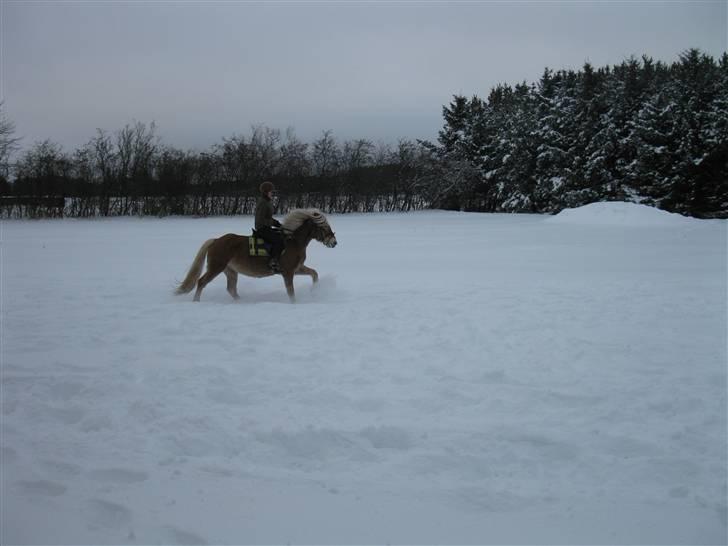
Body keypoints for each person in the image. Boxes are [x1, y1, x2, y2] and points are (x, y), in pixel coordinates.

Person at [254, 181, 285, 272]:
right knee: (279, 241)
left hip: (266, 227)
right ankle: (273, 262)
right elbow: (261, 220)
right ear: (266, 192)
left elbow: (268, 218)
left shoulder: (267, 201)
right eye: (271, 192)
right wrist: (274, 223)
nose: (273, 193)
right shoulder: (263, 203)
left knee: (282, 235)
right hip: (262, 228)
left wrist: (278, 224)